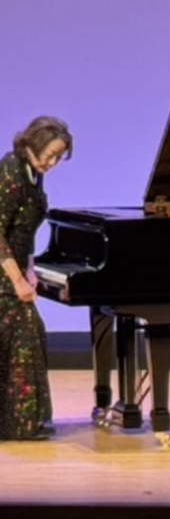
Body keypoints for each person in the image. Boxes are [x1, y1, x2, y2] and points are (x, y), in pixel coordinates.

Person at [0, 116, 72, 440]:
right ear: (35, 144)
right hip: (3, 270)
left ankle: (23, 421)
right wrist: (17, 281)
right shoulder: (12, 173)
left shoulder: (32, 173)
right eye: (52, 155)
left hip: (13, 267)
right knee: (25, 331)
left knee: (31, 332)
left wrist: (30, 272)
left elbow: (24, 233)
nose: (53, 163)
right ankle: (20, 423)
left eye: (59, 158)